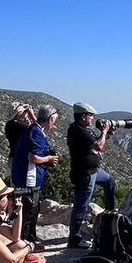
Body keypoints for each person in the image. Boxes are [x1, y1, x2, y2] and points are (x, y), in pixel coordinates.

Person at [66, 101, 116, 248]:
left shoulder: (83, 129)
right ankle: (74, 239)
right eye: (90, 115)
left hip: (94, 171)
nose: (93, 118)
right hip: (85, 173)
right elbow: (98, 146)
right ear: (83, 116)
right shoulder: (78, 130)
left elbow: (95, 142)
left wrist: (107, 134)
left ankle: (110, 213)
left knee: (110, 182)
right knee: (81, 205)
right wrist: (105, 131)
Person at [10, 104, 59, 251]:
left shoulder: (34, 129)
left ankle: (30, 242)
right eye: (54, 120)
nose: (54, 124)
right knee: (29, 212)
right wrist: (49, 158)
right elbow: (33, 158)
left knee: (31, 210)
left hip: (24, 176)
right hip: (29, 179)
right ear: (50, 119)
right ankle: (25, 245)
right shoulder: (36, 132)